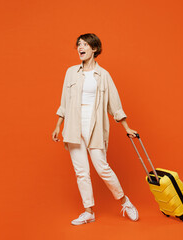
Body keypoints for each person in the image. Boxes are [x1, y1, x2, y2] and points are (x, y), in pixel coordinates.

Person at [52, 33, 139, 225]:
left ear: (94, 49)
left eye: (85, 45)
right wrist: (58, 125)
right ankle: (88, 211)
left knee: (102, 168)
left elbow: (114, 104)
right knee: (81, 172)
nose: (80, 48)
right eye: (79, 45)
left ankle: (125, 202)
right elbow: (64, 102)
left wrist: (127, 127)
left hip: (94, 127)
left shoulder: (104, 75)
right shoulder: (71, 72)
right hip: (74, 126)